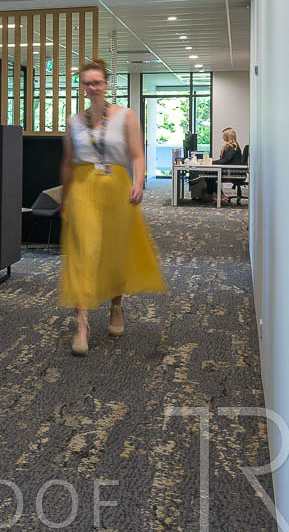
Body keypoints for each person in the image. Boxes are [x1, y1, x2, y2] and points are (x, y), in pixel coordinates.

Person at [59, 58, 167, 355]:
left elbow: (137, 155)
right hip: (83, 188)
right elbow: (68, 163)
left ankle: (116, 306)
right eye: (87, 83)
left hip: (117, 187)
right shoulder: (74, 122)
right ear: (82, 88)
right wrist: (65, 196)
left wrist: (139, 182)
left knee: (115, 249)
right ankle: (82, 324)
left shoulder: (125, 116)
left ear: (106, 85)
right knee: (85, 251)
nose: (92, 87)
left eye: (97, 82)